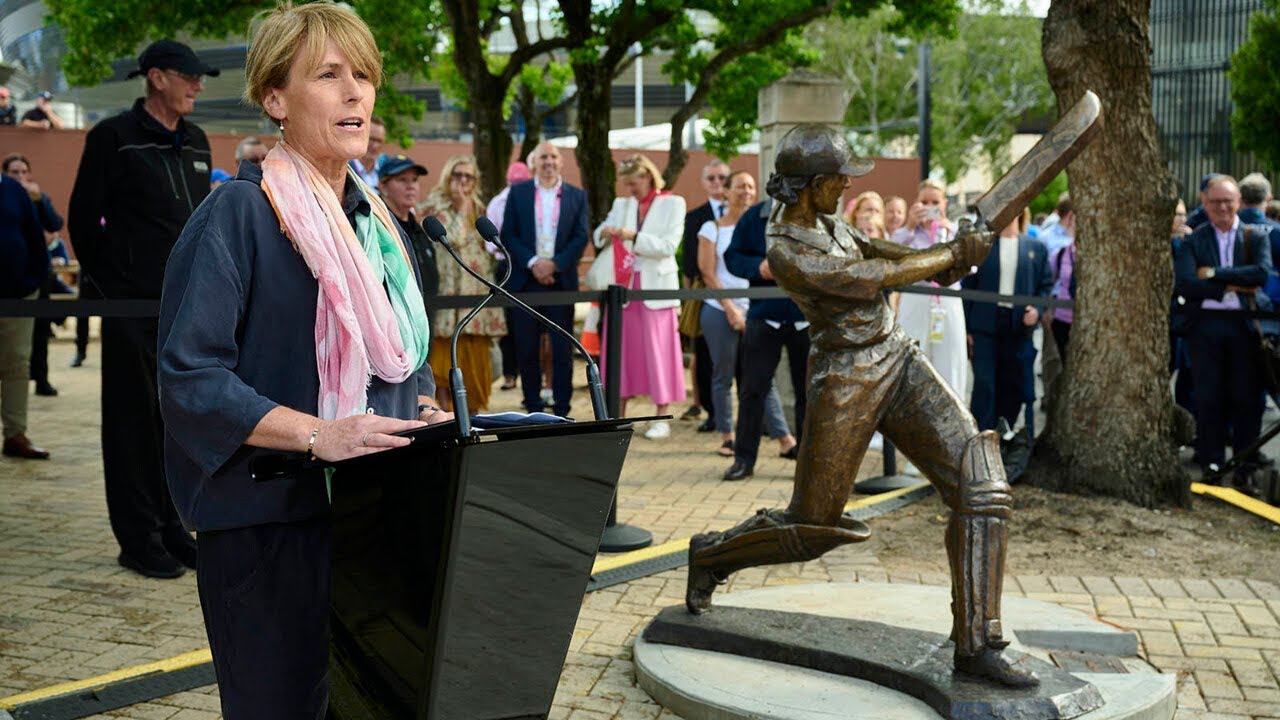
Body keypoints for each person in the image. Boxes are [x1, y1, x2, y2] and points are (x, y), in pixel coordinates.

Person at [157, 5, 449, 714]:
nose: (356, 93)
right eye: (328, 75)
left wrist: (427, 403)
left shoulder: (380, 229)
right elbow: (190, 377)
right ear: (276, 99)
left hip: (370, 522)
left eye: (364, 75)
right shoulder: (240, 215)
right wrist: (318, 433)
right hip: (267, 525)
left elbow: (399, 356)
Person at [686, 124, 1036, 687]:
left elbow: (887, 252)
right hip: (846, 376)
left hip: (895, 357)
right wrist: (942, 254)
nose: (848, 188)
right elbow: (871, 276)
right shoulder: (787, 246)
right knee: (812, 526)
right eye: (839, 180)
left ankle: (978, 643)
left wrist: (954, 256)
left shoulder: (827, 221)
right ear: (812, 184)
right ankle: (711, 556)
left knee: (980, 482)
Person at [68, 38, 218, 579]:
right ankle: (138, 539)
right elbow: (84, 223)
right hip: (130, 308)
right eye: (190, 76)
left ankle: (174, 529)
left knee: (177, 425)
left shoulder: (198, 141)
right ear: (157, 77)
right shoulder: (113, 137)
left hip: (187, 309)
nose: (199, 85)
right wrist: (117, 296)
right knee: (131, 426)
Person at [1175, 175, 1271, 481]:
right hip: (1206, 328)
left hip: (1244, 328)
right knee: (1208, 397)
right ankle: (1212, 463)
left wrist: (1214, 274)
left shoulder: (1255, 237)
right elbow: (1188, 283)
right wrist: (1230, 286)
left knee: (1246, 399)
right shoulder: (1195, 239)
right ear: (1204, 202)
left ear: (1239, 202)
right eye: (1215, 201)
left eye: (1228, 201)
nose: (1222, 207)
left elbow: (1259, 275)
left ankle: (1245, 465)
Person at [696, 171, 796, 460]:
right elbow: (707, 272)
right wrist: (730, 309)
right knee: (723, 375)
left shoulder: (762, 224)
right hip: (720, 309)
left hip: (757, 309)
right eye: (740, 186)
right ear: (726, 192)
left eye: (751, 187)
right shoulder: (711, 228)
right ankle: (728, 436)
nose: (746, 191)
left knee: (762, 377)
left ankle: (784, 438)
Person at [593, 154, 686, 438]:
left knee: (658, 353)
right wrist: (607, 233)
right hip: (623, 288)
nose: (630, 189)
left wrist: (632, 236)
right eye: (626, 184)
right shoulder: (622, 204)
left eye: (634, 183)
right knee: (621, 351)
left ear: (648, 176)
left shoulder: (673, 203)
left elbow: (668, 246)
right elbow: (598, 235)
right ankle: (618, 414)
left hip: (656, 290)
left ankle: (661, 417)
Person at [500, 142, 590, 417]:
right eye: (543, 157)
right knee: (526, 349)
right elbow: (508, 235)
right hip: (525, 281)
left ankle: (562, 408)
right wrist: (534, 263)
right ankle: (533, 406)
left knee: (562, 350)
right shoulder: (518, 193)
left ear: (561, 162)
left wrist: (554, 265)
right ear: (534, 163)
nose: (549, 161)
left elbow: (580, 236)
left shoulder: (577, 195)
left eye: (553, 156)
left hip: (561, 282)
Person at [721, 197, 808, 480]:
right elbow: (732, 257)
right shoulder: (755, 216)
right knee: (751, 390)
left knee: (809, 393)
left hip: (806, 319)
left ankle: (809, 466)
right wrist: (758, 267)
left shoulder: (819, 214)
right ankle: (743, 460)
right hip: (763, 316)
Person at [421, 155, 505, 412]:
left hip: (475, 296)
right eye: (457, 175)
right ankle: (447, 421)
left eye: (469, 176)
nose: (463, 181)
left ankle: (472, 420)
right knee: (443, 372)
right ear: (448, 177)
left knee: (475, 373)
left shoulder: (480, 208)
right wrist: (459, 206)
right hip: (447, 299)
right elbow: (454, 239)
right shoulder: (435, 207)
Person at [962, 217, 1052, 432]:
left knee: (1013, 384)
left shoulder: (1035, 247)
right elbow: (968, 288)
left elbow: (1045, 286)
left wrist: (1037, 310)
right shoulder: (983, 247)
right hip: (984, 325)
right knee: (985, 385)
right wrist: (967, 329)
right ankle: (981, 436)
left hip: (1018, 327)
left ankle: (1005, 434)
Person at [892, 180, 968, 397]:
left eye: (935, 201)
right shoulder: (908, 233)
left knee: (951, 359)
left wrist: (951, 238)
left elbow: (970, 266)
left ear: (944, 203)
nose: (930, 206)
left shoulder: (954, 231)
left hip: (947, 301)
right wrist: (908, 225)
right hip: (916, 300)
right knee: (912, 356)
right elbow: (894, 252)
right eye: (924, 201)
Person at [4, 153, 66, 397]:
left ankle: (41, 378)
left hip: (38, 275)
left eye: (23, 172)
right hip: (11, 277)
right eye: (14, 172)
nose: (20, 177)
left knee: (41, 331)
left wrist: (40, 200)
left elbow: (54, 223)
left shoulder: (37, 197)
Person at [0, 174, 51, 459]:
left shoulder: (12, 190)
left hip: (18, 295)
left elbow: (34, 234)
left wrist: (33, 280)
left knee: (17, 363)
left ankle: (15, 434)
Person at [681, 159, 731, 430]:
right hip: (705, 289)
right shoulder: (695, 217)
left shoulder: (745, 213)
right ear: (703, 182)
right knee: (704, 355)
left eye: (722, 178)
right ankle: (713, 413)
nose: (717, 183)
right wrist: (688, 298)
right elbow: (689, 261)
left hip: (740, 290)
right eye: (711, 178)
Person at [378, 155, 438, 355]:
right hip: (392, 337)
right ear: (383, 186)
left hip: (423, 329)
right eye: (402, 180)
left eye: (414, 180)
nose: (411, 186)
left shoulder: (421, 229)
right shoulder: (377, 229)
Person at [487, 160, 533, 391]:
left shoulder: (534, 199)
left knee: (530, 324)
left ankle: (529, 375)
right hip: (506, 265)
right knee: (508, 323)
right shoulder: (498, 203)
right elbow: (490, 243)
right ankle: (509, 373)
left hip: (529, 266)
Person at [1237, 172, 1280, 304]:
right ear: (1268, 199)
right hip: (1272, 303)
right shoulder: (1277, 230)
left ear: (1239, 198)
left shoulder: (1225, 229)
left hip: (1230, 303)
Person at [350, 114, 384, 188]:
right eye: (371, 139)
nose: (375, 146)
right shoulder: (346, 170)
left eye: (379, 141)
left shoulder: (386, 172)